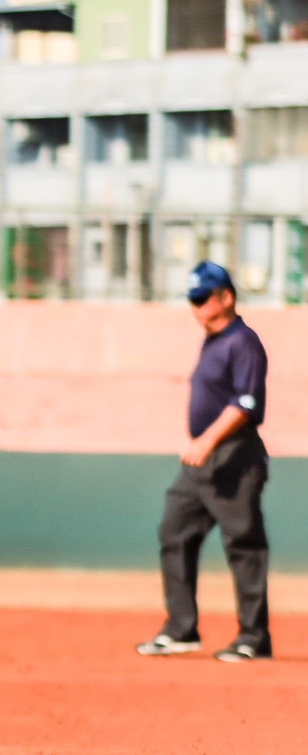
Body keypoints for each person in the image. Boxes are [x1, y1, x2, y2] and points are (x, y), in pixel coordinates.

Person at [137, 261, 271, 663]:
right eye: (192, 299)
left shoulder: (242, 341)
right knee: (174, 531)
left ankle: (253, 638)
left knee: (243, 546)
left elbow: (246, 404)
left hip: (233, 456)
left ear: (226, 297)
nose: (195, 307)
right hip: (201, 460)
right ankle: (181, 628)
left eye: (202, 298)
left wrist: (208, 440)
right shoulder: (212, 340)